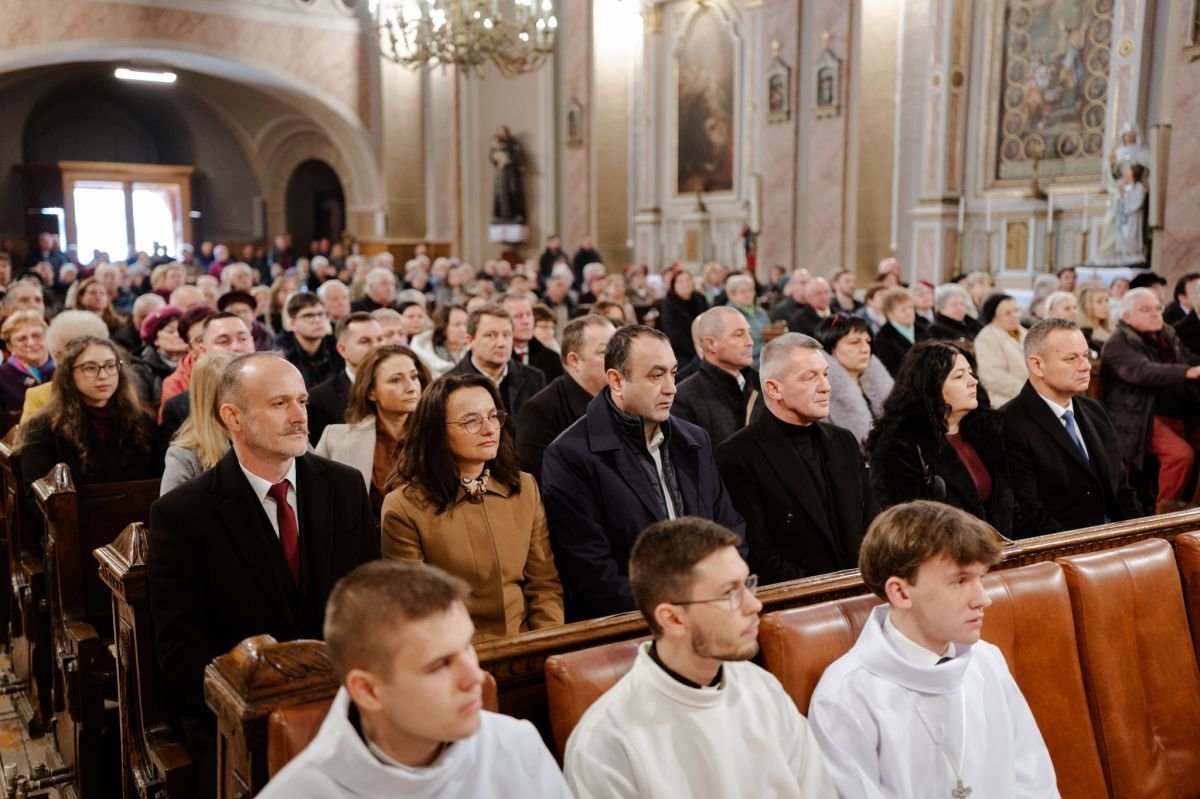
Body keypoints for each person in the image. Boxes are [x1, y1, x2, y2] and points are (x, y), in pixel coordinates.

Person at [149, 353, 379, 797]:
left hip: (346, 701)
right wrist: (265, 707)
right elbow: (181, 652)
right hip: (241, 717)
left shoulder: (345, 486)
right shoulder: (183, 514)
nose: (299, 417)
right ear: (231, 416)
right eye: (279, 405)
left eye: (302, 401)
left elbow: (369, 602)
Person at [564, 517, 835, 798]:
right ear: (673, 619)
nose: (754, 604)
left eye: (747, 584)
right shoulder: (605, 743)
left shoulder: (763, 689)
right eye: (729, 592)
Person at [257, 560, 570, 799]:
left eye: (468, 647)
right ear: (368, 691)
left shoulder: (516, 745)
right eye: (439, 665)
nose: (475, 677)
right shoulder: (298, 792)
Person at [808, 501, 1057, 798]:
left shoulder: (987, 660)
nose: (983, 599)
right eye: (960, 581)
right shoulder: (844, 697)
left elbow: (1034, 781)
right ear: (900, 593)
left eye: (982, 578)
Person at [541, 325, 745, 620]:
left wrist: (719, 592)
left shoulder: (694, 439)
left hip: (712, 609)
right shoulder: (569, 455)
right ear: (617, 381)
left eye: (673, 373)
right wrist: (678, 610)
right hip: (632, 624)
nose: (671, 387)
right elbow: (592, 572)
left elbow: (730, 527)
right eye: (655, 375)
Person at [381, 373, 563, 639]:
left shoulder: (524, 487)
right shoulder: (404, 507)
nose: (490, 429)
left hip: (529, 647)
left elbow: (544, 586)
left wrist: (547, 646)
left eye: (493, 416)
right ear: (438, 432)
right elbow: (417, 610)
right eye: (471, 421)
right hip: (456, 658)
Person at [717, 334, 878, 582]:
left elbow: (872, 521)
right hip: (797, 602)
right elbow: (757, 552)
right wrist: (823, 591)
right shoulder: (738, 456)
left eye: (825, 374)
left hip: (860, 588)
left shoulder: (843, 441)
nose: (826, 386)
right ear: (773, 388)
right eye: (810, 377)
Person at [1003, 319, 1142, 535]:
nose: (1086, 366)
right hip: (1061, 551)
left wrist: (1143, 537)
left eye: (1086, 356)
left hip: (1113, 540)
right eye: (1071, 359)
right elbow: (1029, 512)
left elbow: (1122, 491)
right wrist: (1084, 549)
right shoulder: (1009, 423)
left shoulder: (1096, 411)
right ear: (1037, 365)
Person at [867, 341, 1014, 536]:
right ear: (931, 387)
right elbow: (905, 526)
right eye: (959, 376)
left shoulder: (986, 431)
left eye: (971, 373)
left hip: (1003, 554)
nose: (973, 381)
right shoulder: (897, 444)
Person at [1101, 287, 1200, 512]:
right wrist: (1188, 372)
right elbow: (1142, 371)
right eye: (1146, 309)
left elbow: (1190, 359)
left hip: (1174, 411)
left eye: (1158, 308)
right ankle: (1162, 517)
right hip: (1136, 418)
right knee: (1180, 455)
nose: (1155, 313)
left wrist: (1193, 368)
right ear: (1126, 316)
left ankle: (1190, 509)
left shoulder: (1166, 334)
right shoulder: (1118, 343)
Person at [19, 336, 162, 489]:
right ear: (69, 374)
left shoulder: (142, 420)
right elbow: (36, 497)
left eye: (110, 366)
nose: (103, 376)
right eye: (90, 368)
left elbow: (159, 482)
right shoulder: (42, 427)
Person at [317, 345, 430, 514]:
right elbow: (317, 502)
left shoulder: (438, 437)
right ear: (371, 392)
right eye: (396, 380)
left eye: (414, 377)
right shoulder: (335, 438)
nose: (411, 387)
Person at [515, 315, 615, 483]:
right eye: (605, 352)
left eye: (619, 350)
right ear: (574, 360)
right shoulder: (539, 412)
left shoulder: (622, 399)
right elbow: (541, 483)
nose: (617, 360)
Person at [672, 306, 760, 447]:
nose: (750, 342)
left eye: (749, 333)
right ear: (711, 344)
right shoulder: (683, 399)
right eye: (739, 334)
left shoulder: (761, 384)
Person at [451, 304, 545, 423]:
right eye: (490, 335)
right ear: (470, 340)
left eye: (506, 335)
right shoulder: (450, 384)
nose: (501, 343)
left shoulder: (534, 378)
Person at [160, 352, 237, 495]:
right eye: (236, 391)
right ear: (212, 398)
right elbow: (168, 514)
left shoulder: (259, 438)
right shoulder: (184, 455)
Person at [815, 314, 893, 450]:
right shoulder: (821, 390)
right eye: (854, 342)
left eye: (867, 341)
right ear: (831, 348)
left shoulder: (880, 382)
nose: (865, 348)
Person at [306, 312, 384, 446]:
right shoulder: (319, 399)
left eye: (380, 339)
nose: (376, 347)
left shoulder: (402, 388)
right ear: (342, 350)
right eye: (365, 341)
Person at [275, 293, 344, 388]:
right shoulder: (281, 355)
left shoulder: (338, 348)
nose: (317, 320)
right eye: (308, 316)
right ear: (292, 323)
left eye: (320, 314)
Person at [972, 293, 1028, 407]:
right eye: (1008, 313)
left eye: (1016, 310)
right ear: (994, 317)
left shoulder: (1025, 333)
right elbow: (993, 378)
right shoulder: (986, 338)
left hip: (1030, 394)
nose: (1015, 315)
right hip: (1003, 400)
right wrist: (1029, 391)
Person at [131, 304, 188, 406]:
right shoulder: (140, 369)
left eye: (181, 330)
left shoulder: (195, 362)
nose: (178, 335)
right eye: (170, 331)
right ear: (155, 340)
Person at [0, 310, 53, 412]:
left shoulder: (64, 369)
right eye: (22, 339)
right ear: (10, 347)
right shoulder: (2, 377)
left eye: (36, 335)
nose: (31, 343)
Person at [502, 293, 563, 380]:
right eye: (518, 316)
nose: (526, 321)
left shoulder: (552, 359)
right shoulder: (498, 356)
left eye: (529, 314)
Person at [871, 287, 928, 376]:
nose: (909, 312)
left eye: (910, 307)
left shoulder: (923, 329)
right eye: (903, 309)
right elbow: (892, 370)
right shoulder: (883, 337)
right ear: (890, 313)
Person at [660, 269, 709, 364]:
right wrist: (696, 349)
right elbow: (674, 334)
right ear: (674, 285)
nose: (685, 283)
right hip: (682, 351)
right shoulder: (669, 303)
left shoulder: (700, 298)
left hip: (704, 345)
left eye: (688, 280)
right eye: (680, 281)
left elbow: (709, 321)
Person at [410, 304, 470, 379]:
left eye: (466, 324)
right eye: (457, 325)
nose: (463, 329)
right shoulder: (425, 352)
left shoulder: (473, 351)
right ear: (443, 327)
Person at [723, 274, 769, 363]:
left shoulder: (761, 312)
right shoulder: (728, 315)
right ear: (732, 295)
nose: (748, 295)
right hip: (746, 361)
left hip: (765, 357)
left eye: (750, 290)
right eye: (743, 292)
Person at [1077, 285, 1115, 351]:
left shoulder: (1112, 329)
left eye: (1107, 301)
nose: (1106, 305)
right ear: (1087, 306)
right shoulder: (1084, 336)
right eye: (1099, 302)